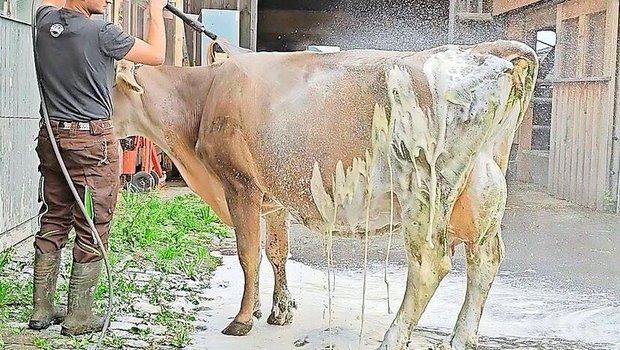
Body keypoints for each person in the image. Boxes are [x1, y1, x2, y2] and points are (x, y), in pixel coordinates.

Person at [29, 0, 167, 336]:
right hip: (91, 144)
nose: (107, 0)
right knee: (93, 220)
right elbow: (156, 56)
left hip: (52, 136)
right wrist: (155, 11)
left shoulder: (44, 20)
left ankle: (41, 309)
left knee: (55, 216)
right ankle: (79, 317)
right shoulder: (103, 33)